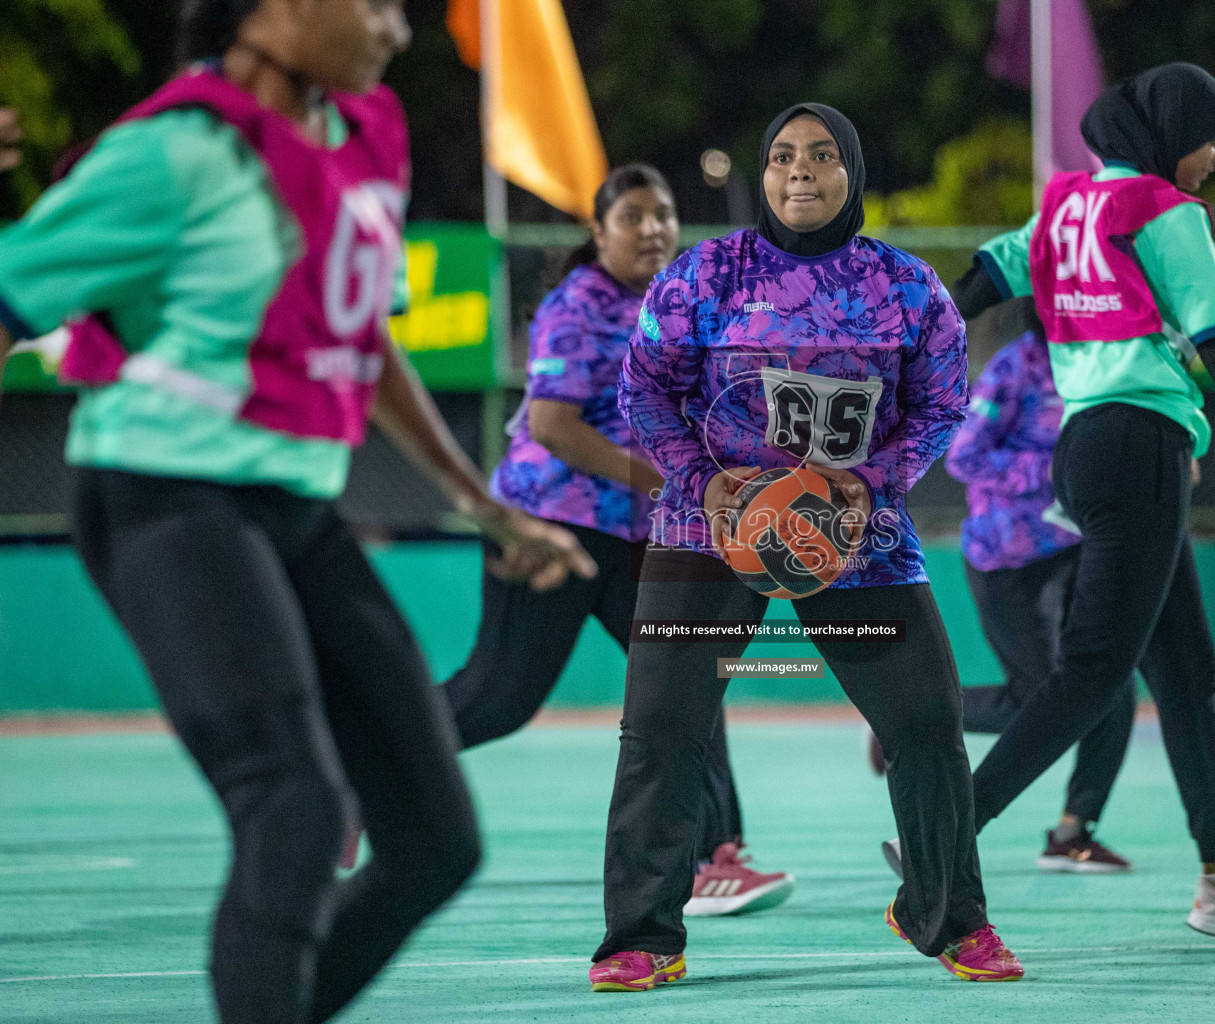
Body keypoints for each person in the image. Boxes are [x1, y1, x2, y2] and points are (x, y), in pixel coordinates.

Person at [0, 2, 594, 1021]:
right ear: (273, 13)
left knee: (433, 837)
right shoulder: (173, 153)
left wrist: (482, 506)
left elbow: (366, 343)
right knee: (295, 808)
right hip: (163, 496)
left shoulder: (363, 141)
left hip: (289, 507)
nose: (395, 30)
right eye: (370, 5)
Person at [587, 102, 1024, 993]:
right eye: (783, 155)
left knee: (927, 726)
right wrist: (704, 482)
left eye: (822, 157)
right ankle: (643, 936)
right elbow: (644, 387)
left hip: (853, 532)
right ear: (765, 171)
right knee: (662, 728)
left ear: (850, 175)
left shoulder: (907, 289)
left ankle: (948, 916)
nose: (800, 171)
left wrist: (872, 483)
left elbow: (942, 403)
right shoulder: (705, 274)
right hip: (710, 528)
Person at [945, 62, 1215, 942]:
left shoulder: (1065, 206)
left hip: (1085, 447)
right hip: (1141, 445)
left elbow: (979, 283)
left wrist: (907, 339)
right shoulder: (1167, 212)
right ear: (1169, 136)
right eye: (1213, 136)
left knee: (1186, 676)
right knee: (1090, 674)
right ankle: (947, 826)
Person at [443, 163, 792, 917]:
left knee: (692, 672)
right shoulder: (577, 307)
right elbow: (550, 426)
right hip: (552, 525)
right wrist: (667, 479)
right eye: (631, 216)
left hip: (638, 536)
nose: (652, 229)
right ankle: (359, 766)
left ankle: (714, 858)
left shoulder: (683, 305)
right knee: (498, 700)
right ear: (598, 234)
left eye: (662, 213)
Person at [872, 326, 1136, 877]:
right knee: (1039, 698)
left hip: (1077, 551)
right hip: (1006, 556)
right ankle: (907, 715)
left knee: (1111, 685)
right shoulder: (1017, 367)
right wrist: (1052, 473)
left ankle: (1073, 833)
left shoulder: (1109, 362)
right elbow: (964, 456)